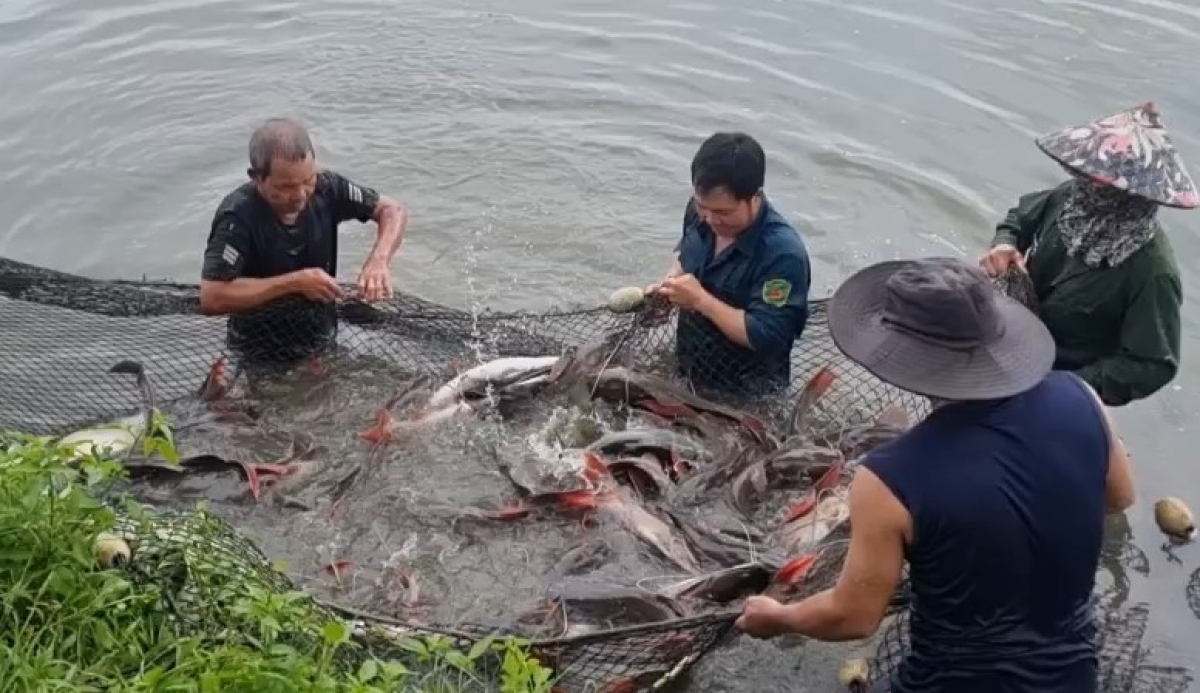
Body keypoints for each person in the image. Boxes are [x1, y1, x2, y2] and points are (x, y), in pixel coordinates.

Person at [735, 257, 1137, 693]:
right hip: (1074, 676)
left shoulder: (889, 477)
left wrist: (779, 618)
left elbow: (854, 617)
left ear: (901, 355)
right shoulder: (1083, 397)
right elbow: (1119, 497)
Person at [979, 102, 1197, 407]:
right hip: (1014, 341)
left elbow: (1151, 365)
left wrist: (1069, 387)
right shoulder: (1073, 198)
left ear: (1135, 194)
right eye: (1088, 174)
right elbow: (1020, 218)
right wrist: (1005, 243)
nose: (1089, 185)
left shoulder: (1152, 272)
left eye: (1102, 182)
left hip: (1058, 384)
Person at [199, 118, 409, 367]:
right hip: (259, 353)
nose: (300, 195)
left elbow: (392, 210)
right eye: (286, 186)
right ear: (256, 178)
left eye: (307, 180)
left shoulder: (328, 188)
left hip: (322, 338)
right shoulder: (237, 218)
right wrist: (295, 283)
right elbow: (212, 296)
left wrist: (379, 260)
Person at [646, 132, 812, 399]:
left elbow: (766, 336)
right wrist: (671, 284)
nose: (710, 219)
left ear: (755, 198)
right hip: (689, 368)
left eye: (723, 212)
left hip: (746, 393)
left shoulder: (783, 255)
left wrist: (700, 300)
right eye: (703, 207)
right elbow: (684, 251)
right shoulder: (700, 211)